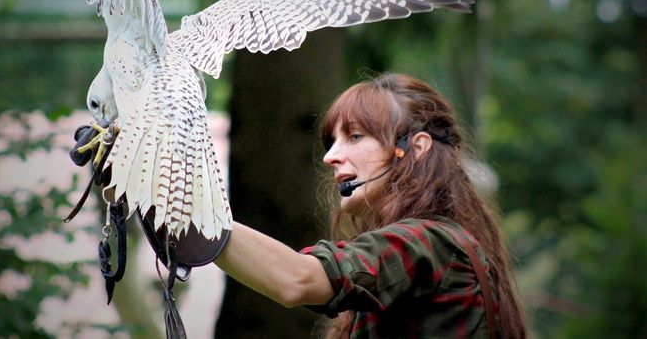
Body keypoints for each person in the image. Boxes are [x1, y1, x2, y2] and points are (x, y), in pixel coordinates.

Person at [214, 72, 527, 338]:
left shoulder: (428, 242)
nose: (330, 156)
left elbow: (298, 279)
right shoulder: (441, 244)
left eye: (355, 136)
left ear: (415, 147)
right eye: (332, 141)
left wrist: (196, 218)